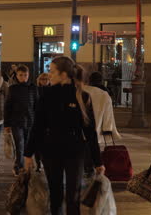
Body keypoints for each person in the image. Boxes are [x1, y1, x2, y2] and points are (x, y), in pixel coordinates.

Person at [24, 56, 104, 215]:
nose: (49, 75)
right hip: (50, 150)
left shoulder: (82, 96)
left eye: (52, 72)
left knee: (73, 195)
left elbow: (90, 132)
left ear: (63, 74)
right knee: (55, 194)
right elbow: (38, 126)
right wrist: (28, 154)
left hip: (74, 151)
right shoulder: (46, 95)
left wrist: (97, 161)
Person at [5, 65, 38, 176]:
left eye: (25, 75)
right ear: (17, 76)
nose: (23, 77)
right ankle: (19, 166)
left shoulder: (33, 88)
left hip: (30, 121)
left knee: (28, 145)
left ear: (28, 75)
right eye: (21, 75)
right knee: (19, 144)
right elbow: (8, 106)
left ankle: (25, 165)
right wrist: (7, 124)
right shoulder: (12, 89)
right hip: (16, 121)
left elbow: (37, 105)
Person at [34, 72, 51, 172]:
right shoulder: (36, 90)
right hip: (37, 118)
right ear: (39, 80)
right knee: (37, 143)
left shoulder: (52, 90)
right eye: (42, 79)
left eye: (46, 79)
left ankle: (44, 162)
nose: (44, 81)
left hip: (48, 120)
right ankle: (38, 163)